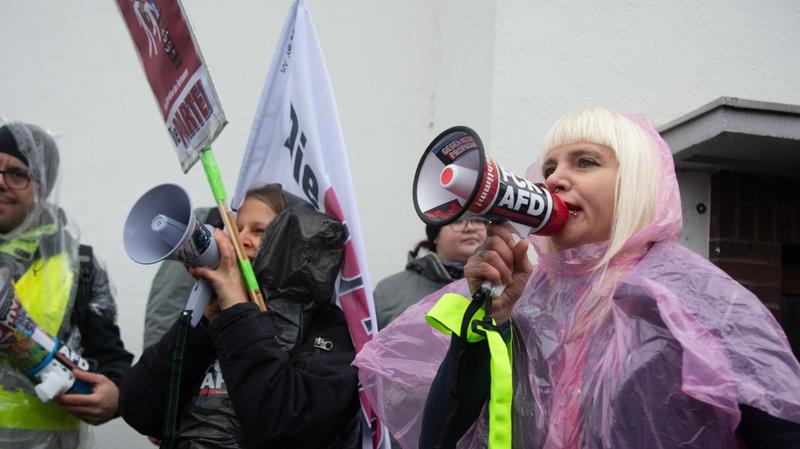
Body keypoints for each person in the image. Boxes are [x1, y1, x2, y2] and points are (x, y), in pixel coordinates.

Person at [354, 107, 800, 448]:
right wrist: (488, 319)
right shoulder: (526, 297)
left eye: (585, 162)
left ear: (638, 182)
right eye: (548, 168)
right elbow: (442, 436)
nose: (554, 180)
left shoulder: (699, 299)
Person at [120, 184, 361, 449]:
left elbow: (286, 424)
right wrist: (203, 325)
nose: (240, 239)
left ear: (294, 244)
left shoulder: (327, 328)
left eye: (259, 231)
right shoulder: (215, 315)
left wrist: (236, 308)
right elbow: (139, 409)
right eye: (237, 228)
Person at [0, 120, 133, 448]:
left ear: (42, 186)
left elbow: (112, 361)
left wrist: (116, 394)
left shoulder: (80, 267)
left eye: (17, 174)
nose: (0, 183)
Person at [374, 217, 489, 330]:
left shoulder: (501, 285)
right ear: (435, 236)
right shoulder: (388, 291)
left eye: (477, 220)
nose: (470, 228)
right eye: (457, 221)